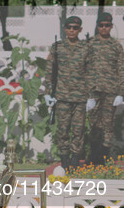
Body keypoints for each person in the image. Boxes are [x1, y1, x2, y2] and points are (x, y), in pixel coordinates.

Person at [43, 16, 93, 170]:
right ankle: (64, 162)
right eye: (69, 27)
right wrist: (47, 92)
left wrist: (91, 96)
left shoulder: (86, 48)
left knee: (78, 131)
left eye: (75, 27)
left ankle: (75, 161)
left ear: (80, 30)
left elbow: (91, 73)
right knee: (63, 130)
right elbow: (50, 71)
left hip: (80, 97)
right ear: (65, 29)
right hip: (62, 96)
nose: (71, 30)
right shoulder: (57, 47)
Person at [87, 12, 124, 165]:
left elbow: (121, 69)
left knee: (108, 125)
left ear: (111, 26)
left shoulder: (116, 45)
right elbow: (85, 68)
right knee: (94, 124)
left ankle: (104, 157)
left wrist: (121, 93)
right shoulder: (90, 44)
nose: (104, 28)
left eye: (107, 25)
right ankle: (94, 157)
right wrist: (87, 94)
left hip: (110, 91)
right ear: (97, 26)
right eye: (101, 25)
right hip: (94, 91)